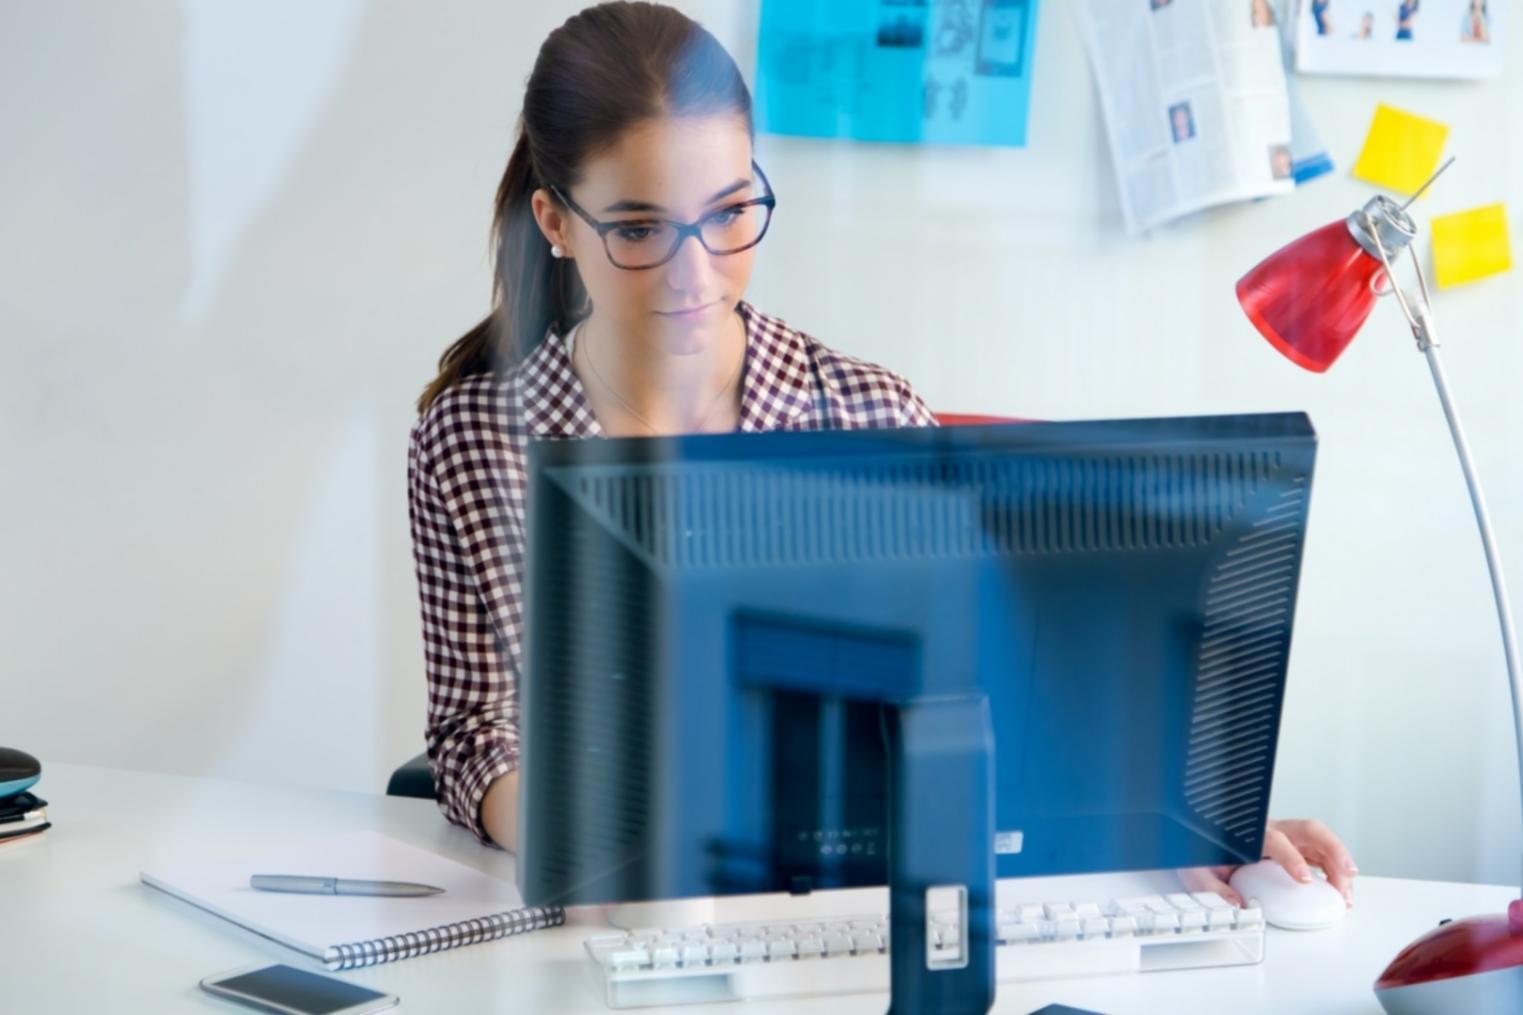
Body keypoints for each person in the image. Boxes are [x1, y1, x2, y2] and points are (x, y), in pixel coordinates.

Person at [406, 0, 1361, 912]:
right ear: (556, 221)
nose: (696, 274)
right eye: (641, 229)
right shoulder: (471, 439)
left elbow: (987, 713)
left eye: (731, 213)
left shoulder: (866, 412)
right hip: (602, 922)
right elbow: (471, 733)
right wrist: (577, 835)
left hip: (845, 913)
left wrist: (1180, 823)